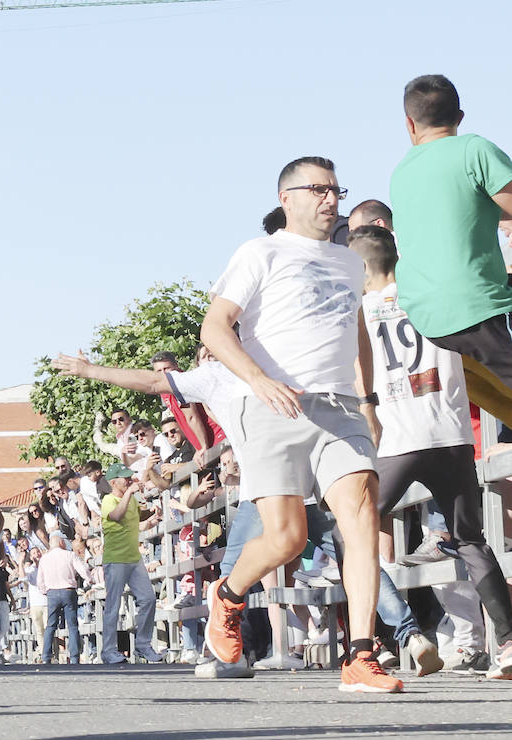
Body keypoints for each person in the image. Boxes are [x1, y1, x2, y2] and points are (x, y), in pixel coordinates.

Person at [200, 155, 401, 694]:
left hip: (338, 408)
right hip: (270, 406)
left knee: (361, 513)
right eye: (318, 189)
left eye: (336, 189)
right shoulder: (259, 252)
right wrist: (259, 380)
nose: (330, 198)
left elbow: (358, 333)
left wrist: (370, 402)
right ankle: (229, 595)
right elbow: (216, 328)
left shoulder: (348, 262)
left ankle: (361, 656)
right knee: (287, 538)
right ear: (286, 197)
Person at [349, 224, 512, 677]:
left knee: (355, 534)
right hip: (452, 433)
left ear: (362, 268)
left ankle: (397, 636)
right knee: (472, 542)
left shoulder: (358, 311)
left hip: (396, 441)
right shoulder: (433, 298)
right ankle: (509, 642)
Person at [390, 76, 512, 388]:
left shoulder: (402, 171)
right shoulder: (474, 149)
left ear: (410, 124)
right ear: (459, 117)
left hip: (425, 316)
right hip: (473, 307)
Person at [98, 463, 163, 664]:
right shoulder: (108, 499)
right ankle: (108, 650)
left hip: (134, 558)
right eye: (124, 478)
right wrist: (130, 494)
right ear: (113, 482)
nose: (128, 480)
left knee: (148, 599)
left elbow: (136, 516)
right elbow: (116, 516)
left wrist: (153, 513)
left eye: (129, 477)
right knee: (113, 605)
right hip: (115, 559)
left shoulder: (131, 499)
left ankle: (143, 645)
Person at [37, 533, 89, 665]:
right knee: (72, 625)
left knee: (51, 625)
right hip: (68, 591)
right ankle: (74, 657)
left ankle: (46, 656)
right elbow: (82, 569)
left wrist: (45, 591)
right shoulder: (69, 555)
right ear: (61, 543)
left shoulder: (44, 558)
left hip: (52, 593)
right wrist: (90, 579)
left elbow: (40, 580)